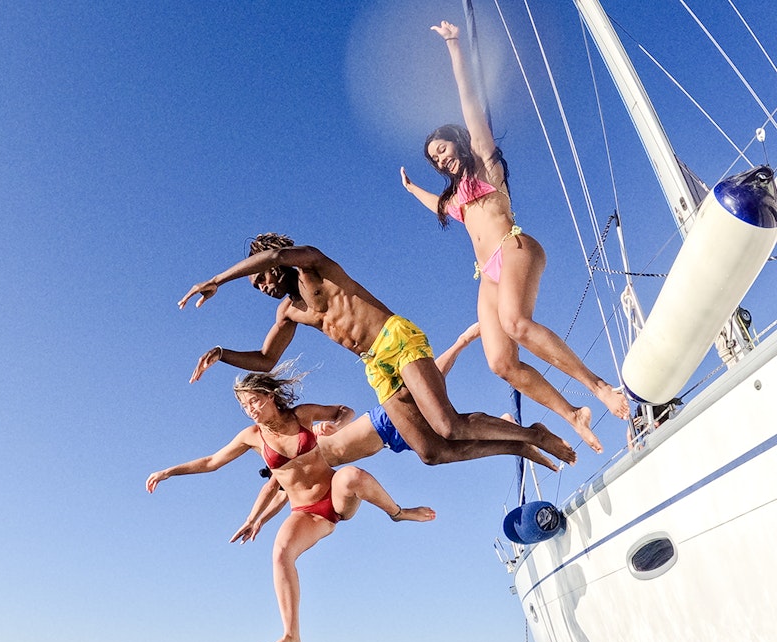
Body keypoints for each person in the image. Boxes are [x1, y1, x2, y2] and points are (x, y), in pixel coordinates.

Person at [399, 20, 629, 453]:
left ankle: (597, 386)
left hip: (515, 248)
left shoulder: (486, 165)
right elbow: (439, 206)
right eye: (434, 158)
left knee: (516, 324)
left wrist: (454, 47)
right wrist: (413, 189)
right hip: (486, 274)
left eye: (443, 149)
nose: (440, 159)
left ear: (459, 142)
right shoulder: (457, 201)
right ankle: (572, 413)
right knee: (500, 362)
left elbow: (469, 104)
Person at [178, 233, 576, 470]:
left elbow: (278, 258)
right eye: (256, 286)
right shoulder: (289, 312)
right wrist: (221, 353)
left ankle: (534, 433)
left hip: (394, 338)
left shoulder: (311, 265)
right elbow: (266, 361)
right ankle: (519, 444)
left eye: (260, 278)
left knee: (448, 425)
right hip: (375, 366)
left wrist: (216, 280)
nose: (262, 286)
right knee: (431, 451)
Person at [145, 364, 435, 642]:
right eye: (245, 406)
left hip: (335, 496)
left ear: (270, 396)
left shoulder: (302, 415)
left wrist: (336, 426)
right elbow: (212, 462)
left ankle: (398, 513)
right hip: (307, 512)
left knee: (351, 475)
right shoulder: (252, 436)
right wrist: (169, 472)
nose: (251, 410)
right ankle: (291, 637)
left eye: (254, 401)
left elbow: (344, 411)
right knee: (280, 554)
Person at [247, 323, 482, 523]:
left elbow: (270, 490)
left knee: (423, 388)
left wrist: (334, 426)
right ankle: (498, 427)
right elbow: (277, 497)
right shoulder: (297, 477)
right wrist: (258, 522)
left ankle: (462, 341)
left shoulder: (300, 445)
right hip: (390, 441)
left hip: (379, 423)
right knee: (447, 443)